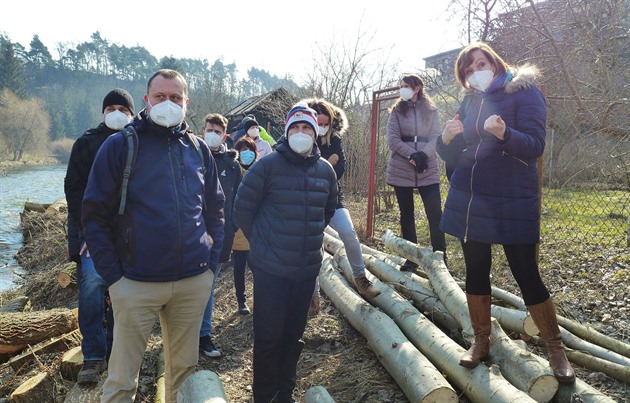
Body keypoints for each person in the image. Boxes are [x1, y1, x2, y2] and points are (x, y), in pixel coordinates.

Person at [82, 69, 226, 402]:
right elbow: (93, 214)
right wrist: (115, 277)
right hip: (135, 283)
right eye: (160, 97)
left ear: (186, 103)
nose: (168, 103)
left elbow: (215, 210)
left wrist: (209, 265)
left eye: (175, 98)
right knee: (121, 381)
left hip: (191, 282)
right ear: (147, 101)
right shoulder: (120, 147)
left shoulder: (199, 149)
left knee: (184, 374)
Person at [437, 42, 575, 384]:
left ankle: (555, 349)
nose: (474, 72)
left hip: (512, 199)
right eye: (468, 70)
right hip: (473, 199)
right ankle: (481, 341)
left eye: (479, 64)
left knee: (526, 273)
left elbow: (534, 146)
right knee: (476, 269)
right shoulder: (469, 101)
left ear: (495, 63)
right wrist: (444, 140)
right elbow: (453, 154)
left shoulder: (524, 93)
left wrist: (505, 133)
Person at [234, 102, 338, 402]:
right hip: (271, 271)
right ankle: (264, 396)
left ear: (315, 133)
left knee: (293, 338)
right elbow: (242, 209)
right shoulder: (267, 166)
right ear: (287, 131)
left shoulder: (325, 171)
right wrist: (264, 243)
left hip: (305, 270)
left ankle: (285, 394)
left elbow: (327, 209)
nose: (302, 132)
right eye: (296, 127)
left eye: (307, 127)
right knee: (268, 338)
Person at [64, 88, 135, 384]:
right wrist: (84, 235)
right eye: (111, 108)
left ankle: (116, 350)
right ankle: (93, 356)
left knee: (125, 293)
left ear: (131, 114)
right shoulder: (86, 143)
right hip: (92, 232)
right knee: (93, 285)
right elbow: (74, 191)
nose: (116, 112)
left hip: (130, 233)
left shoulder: (139, 142)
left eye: (123, 108)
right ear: (103, 112)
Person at [306, 98, 380, 316]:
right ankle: (313, 295)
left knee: (348, 233)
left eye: (325, 123)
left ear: (330, 123)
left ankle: (361, 279)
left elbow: (339, 172)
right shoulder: (300, 139)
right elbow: (304, 172)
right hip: (308, 200)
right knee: (313, 245)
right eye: (317, 122)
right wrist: (330, 162)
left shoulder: (335, 140)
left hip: (333, 197)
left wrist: (326, 166)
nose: (321, 127)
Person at [386, 73, 447, 271]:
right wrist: (413, 155)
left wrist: (423, 156)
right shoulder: (395, 111)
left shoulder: (431, 110)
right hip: (402, 168)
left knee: (435, 214)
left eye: (406, 85)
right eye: (401, 85)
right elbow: (393, 140)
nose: (402, 89)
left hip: (427, 168)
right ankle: (411, 258)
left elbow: (436, 137)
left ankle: (441, 258)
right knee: (406, 214)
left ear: (417, 87)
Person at [199, 112, 242, 358]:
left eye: (217, 130)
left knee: (208, 285)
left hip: (218, 236)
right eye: (209, 129)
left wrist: (231, 227)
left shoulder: (232, 165)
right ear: (202, 130)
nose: (212, 134)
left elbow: (236, 200)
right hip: (190, 235)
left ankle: (204, 336)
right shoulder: (191, 155)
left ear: (224, 135)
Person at [230, 136, 259, 315]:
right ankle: (241, 301)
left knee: (259, 267)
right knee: (239, 266)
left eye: (249, 150)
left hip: (258, 228)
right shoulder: (234, 171)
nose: (245, 154)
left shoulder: (261, 169)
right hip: (239, 227)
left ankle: (261, 298)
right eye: (242, 151)